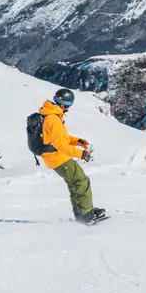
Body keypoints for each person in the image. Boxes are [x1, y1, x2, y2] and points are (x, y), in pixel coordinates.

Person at [37, 89, 105, 224]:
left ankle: (81, 213)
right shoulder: (53, 118)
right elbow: (59, 144)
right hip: (56, 156)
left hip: (54, 156)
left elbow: (62, 137)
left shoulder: (53, 115)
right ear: (62, 104)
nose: (68, 109)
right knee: (81, 180)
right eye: (68, 106)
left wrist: (77, 141)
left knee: (74, 183)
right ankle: (87, 214)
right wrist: (80, 153)